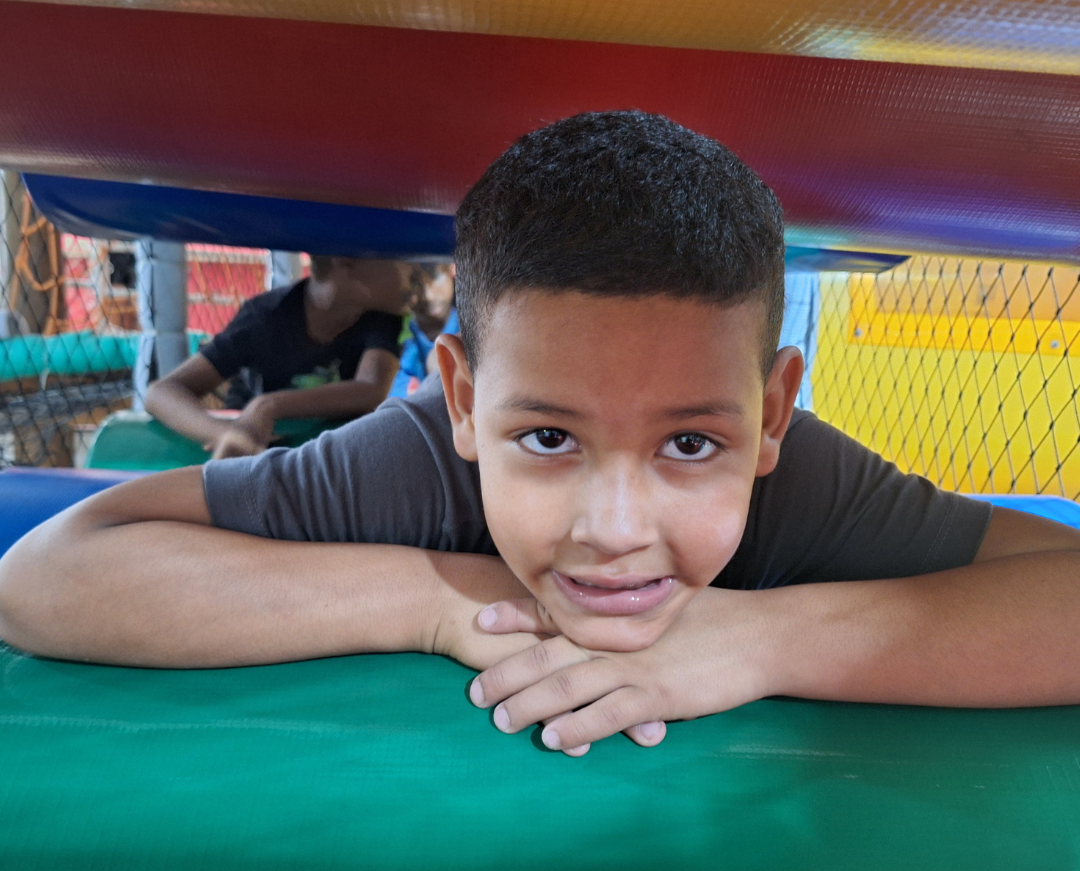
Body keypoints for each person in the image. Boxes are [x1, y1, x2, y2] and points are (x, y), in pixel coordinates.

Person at [4, 111, 1080, 759]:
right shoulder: (419, 463)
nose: (615, 529)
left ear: (770, 415)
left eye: (691, 446)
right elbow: (46, 576)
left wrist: (770, 639)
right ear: (464, 401)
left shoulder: (800, 484)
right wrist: (429, 601)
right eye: (551, 439)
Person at [144, 256, 411, 459]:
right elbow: (160, 392)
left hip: (329, 453)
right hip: (257, 450)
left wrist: (268, 405)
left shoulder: (381, 316)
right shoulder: (264, 318)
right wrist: (224, 432)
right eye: (406, 259)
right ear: (345, 260)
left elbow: (371, 389)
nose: (418, 272)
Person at [391, 263, 458, 398]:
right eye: (414, 283)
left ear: (453, 269)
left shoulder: (475, 328)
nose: (428, 295)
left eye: (435, 277)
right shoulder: (395, 338)